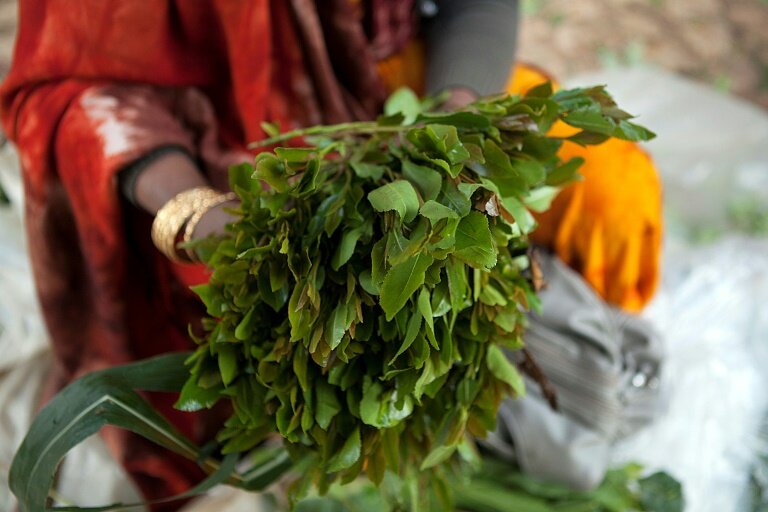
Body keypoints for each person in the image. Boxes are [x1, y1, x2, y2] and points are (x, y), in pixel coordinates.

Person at [0, 0, 661, 505]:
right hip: (213, 122)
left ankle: (566, 360)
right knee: (259, 324)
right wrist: (200, 214)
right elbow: (67, 90)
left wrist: (448, 126)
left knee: (614, 194)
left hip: (398, 87)